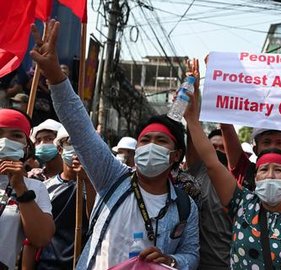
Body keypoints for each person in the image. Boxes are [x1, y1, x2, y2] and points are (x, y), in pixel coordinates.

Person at [30, 20, 199, 270]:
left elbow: (192, 254)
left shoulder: (186, 207)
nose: (150, 146)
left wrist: (171, 260)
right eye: (145, 140)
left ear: (175, 156)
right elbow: (79, 126)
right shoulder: (112, 177)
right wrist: (55, 75)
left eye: (161, 141)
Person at [183, 84, 281, 270]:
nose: (271, 176)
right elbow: (211, 162)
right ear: (255, 177)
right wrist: (192, 120)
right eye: (264, 170)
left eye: (279, 170)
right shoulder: (242, 204)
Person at [22, 126, 93, 269]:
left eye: (82, 144)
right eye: (70, 143)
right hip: (48, 265)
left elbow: (95, 220)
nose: (76, 149)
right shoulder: (45, 187)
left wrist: (87, 181)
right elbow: (32, 239)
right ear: (60, 149)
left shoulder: (98, 188)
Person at [0, 108, 55, 269]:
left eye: (16, 136)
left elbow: (41, 238)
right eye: (0, 133)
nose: (5, 141)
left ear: (26, 147)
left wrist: (20, 189)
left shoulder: (34, 188)